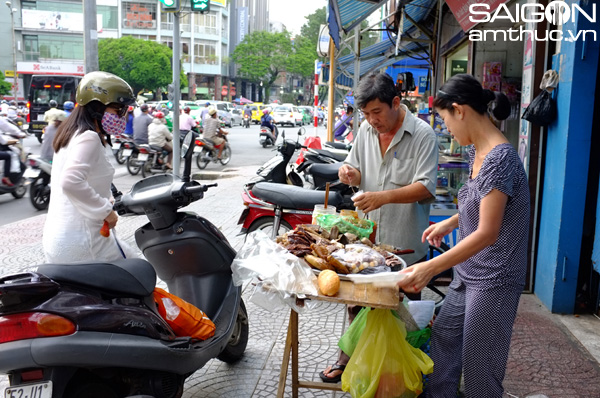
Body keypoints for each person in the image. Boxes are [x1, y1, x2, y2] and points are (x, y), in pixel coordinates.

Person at [396, 74, 529, 397]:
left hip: (494, 277)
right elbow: (484, 203)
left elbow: (487, 231)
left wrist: (431, 267)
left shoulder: (500, 159)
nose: (448, 129)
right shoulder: (476, 152)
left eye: (445, 119)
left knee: (479, 367)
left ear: (460, 111)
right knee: (445, 336)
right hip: (469, 272)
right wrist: (451, 222)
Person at [319, 72, 438, 383]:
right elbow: (356, 168)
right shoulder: (366, 132)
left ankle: (401, 370)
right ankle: (348, 360)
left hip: (405, 242)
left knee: (402, 312)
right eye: (365, 114)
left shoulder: (423, 135)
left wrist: (383, 197)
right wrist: (350, 174)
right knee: (356, 305)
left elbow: (426, 187)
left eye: (376, 112)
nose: (371, 120)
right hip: (367, 245)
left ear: (396, 103)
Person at [42, 71, 136, 263]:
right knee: (141, 269)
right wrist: (105, 211)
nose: (121, 116)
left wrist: (106, 201)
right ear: (97, 106)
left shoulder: (71, 132)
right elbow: (70, 182)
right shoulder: (89, 137)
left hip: (58, 238)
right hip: (83, 241)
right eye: (118, 109)